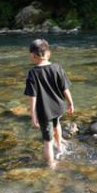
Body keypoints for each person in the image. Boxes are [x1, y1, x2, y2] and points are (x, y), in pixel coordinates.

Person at [24, 39, 73, 169]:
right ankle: (60, 147)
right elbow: (65, 89)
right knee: (57, 125)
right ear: (48, 54)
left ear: (32, 56)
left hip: (44, 111)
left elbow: (32, 95)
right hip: (58, 107)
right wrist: (70, 102)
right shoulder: (57, 68)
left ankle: (51, 163)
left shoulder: (32, 73)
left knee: (47, 141)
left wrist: (33, 113)